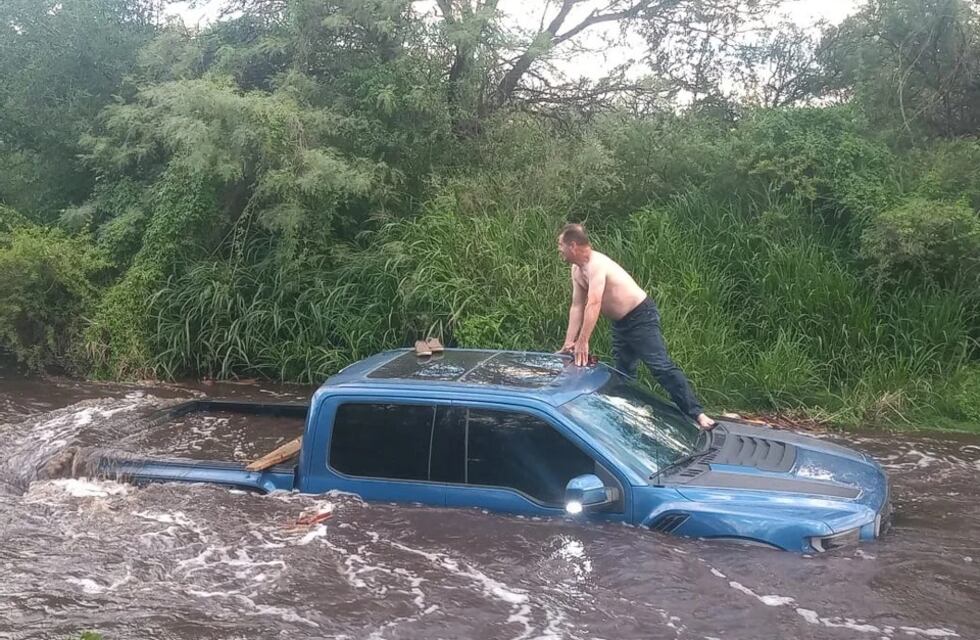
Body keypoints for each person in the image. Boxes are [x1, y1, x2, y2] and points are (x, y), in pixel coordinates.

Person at [557, 223, 717, 430]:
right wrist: (570, 341)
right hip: (621, 323)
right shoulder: (576, 270)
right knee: (622, 374)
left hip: (641, 316)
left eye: (560, 245)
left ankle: (697, 414)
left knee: (660, 367)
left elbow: (594, 303)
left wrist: (583, 341)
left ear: (572, 245)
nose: (558, 250)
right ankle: (625, 420)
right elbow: (577, 306)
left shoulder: (597, 265)